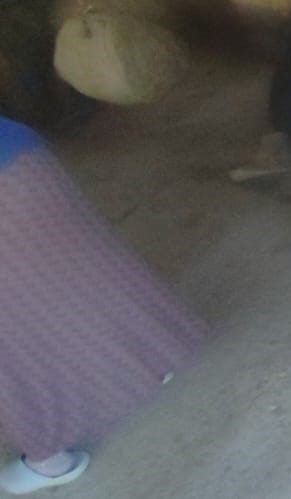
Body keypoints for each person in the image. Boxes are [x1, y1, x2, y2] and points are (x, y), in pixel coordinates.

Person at [0, 117, 206, 495]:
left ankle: (49, 459)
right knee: (85, 273)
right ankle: (153, 356)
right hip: (20, 154)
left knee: (10, 343)